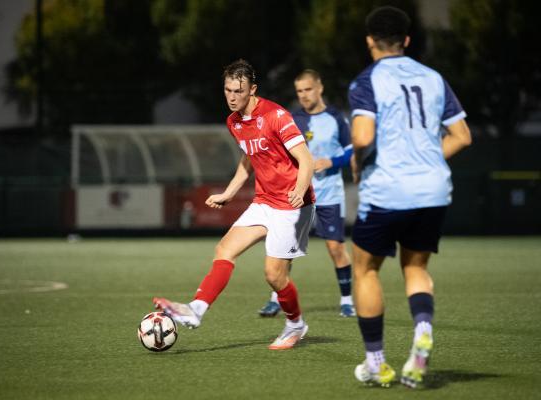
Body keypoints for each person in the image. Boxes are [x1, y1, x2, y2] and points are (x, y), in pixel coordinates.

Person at [153, 59, 316, 350]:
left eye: (238, 91)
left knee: (274, 276)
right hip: (265, 200)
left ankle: (296, 324)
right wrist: (229, 192)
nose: (231, 96)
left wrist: (300, 189)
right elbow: (248, 159)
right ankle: (196, 309)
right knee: (224, 249)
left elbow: (306, 159)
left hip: (293, 205)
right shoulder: (234, 122)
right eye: (227, 90)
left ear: (252, 89)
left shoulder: (277, 116)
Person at [348, 6, 472, 388]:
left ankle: (376, 364)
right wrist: (430, 155)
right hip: (433, 190)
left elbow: (364, 136)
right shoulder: (434, 78)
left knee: (365, 269)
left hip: (387, 190)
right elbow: (462, 136)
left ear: (369, 41)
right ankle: (421, 331)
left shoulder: (366, 82)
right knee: (416, 269)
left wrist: (355, 159)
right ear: (406, 40)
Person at [258, 69, 356, 318]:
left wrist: (331, 162)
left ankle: (347, 300)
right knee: (285, 250)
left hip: (330, 195)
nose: (303, 95)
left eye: (308, 89)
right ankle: (276, 299)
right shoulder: (292, 119)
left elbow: (350, 151)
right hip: (298, 196)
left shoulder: (336, 118)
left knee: (336, 249)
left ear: (319, 88)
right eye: (299, 91)